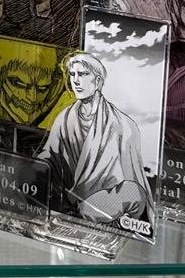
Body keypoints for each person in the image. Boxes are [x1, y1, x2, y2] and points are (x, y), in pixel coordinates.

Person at [36, 52, 152, 225]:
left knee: (131, 192)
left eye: (82, 74)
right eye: (72, 74)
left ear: (97, 81)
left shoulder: (123, 125)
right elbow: (49, 157)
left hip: (105, 202)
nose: (76, 81)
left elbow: (132, 181)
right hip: (68, 199)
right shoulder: (64, 118)